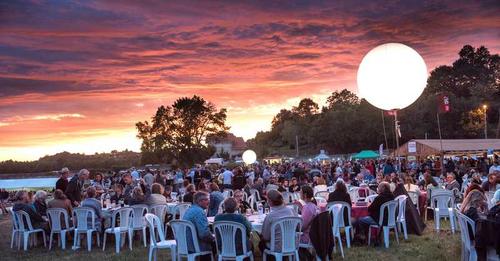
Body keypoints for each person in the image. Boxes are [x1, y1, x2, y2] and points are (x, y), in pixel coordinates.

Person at [183, 191, 215, 260]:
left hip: (185, 244)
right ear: (199, 201)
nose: (208, 202)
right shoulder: (199, 212)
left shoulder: (189, 210)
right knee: (217, 244)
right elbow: (203, 234)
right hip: (194, 245)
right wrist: (213, 238)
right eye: (206, 200)